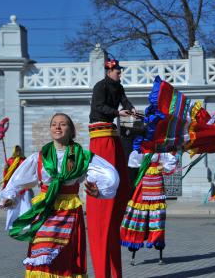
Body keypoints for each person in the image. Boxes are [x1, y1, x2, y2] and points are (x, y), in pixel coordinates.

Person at [1, 113, 119, 278]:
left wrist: (100, 191)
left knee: (62, 257)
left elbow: (108, 175)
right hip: (45, 209)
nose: (57, 127)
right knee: (40, 253)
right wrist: (10, 197)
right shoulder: (40, 157)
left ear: (71, 131)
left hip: (68, 210)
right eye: (54, 124)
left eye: (63, 124)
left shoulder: (81, 157)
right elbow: (18, 182)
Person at [88, 58, 135, 277]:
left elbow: (124, 101)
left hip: (112, 134)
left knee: (123, 183)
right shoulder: (100, 86)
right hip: (100, 133)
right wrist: (118, 113)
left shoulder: (119, 87)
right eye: (117, 70)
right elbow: (98, 107)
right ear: (108, 70)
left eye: (119, 70)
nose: (119, 73)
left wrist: (131, 110)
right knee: (107, 180)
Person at [120, 151, 177, 265]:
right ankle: (134, 246)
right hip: (143, 186)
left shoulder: (161, 153)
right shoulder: (141, 152)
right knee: (138, 217)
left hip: (157, 187)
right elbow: (133, 163)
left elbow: (172, 161)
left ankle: (157, 243)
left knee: (157, 218)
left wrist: (162, 166)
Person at [1, 145, 34, 230]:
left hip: (20, 187)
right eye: (18, 151)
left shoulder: (20, 160)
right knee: (17, 206)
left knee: (22, 206)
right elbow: (7, 175)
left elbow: (28, 171)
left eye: (18, 151)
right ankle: (18, 224)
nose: (18, 152)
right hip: (19, 187)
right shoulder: (14, 161)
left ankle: (22, 223)